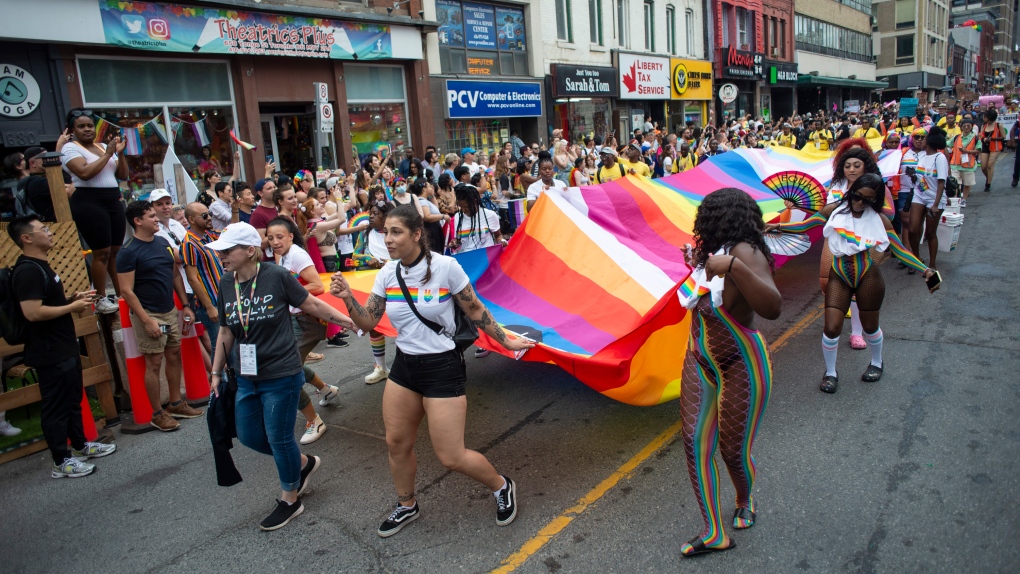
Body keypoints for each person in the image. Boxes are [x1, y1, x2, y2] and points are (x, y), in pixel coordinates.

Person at [329, 204, 534, 538]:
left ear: (416, 234)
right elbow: (368, 322)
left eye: (396, 232)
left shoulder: (445, 267)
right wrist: (349, 298)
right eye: (385, 232)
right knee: (396, 442)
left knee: (451, 456)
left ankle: (501, 485)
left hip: (442, 367)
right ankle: (406, 505)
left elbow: (476, 309)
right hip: (405, 367)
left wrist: (506, 341)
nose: (388, 239)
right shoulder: (387, 273)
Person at [206, 223, 357, 531]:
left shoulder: (276, 277)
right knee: (249, 435)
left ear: (250, 251)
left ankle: (290, 497)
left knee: (279, 437)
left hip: (281, 374)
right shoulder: (225, 283)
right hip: (247, 377)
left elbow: (311, 303)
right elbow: (225, 330)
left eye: (227, 250)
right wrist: (216, 371)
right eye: (219, 250)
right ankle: (302, 463)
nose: (221, 255)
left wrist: (350, 320)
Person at [673, 188, 781, 557]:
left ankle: (744, 498)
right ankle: (714, 532)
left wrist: (735, 267)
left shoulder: (744, 252)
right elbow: (705, 296)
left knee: (732, 452)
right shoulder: (713, 252)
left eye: (708, 217)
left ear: (723, 218)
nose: (702, 224)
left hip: (741, 366)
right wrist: (697, 263)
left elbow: (773, 306)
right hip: (699, 361)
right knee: (693, 444)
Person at [768, 174, 936, 393]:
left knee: (869, 327)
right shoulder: (833, 211)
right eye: (856, 196)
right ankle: (830, 372)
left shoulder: (879, 220)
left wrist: (925, 270)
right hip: (839, 275)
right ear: (852, 191)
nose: (859, 202)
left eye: (866, 200)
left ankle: (876, 362)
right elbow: (804, 227)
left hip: (868, 277)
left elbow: (899, 250)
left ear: (874, 201)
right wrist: (774, 227)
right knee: (831, 327)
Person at [8, 215, 118, 477]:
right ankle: (61, 461)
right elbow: (32, 312)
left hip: (63, 345)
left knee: (71, 401)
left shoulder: (41, 266)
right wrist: (72, 307)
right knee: (55, 406)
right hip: (49, 351)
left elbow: (46, 303)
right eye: (43, 229)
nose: (49, 232)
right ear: (26, 238)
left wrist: (71, 298)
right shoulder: (27, 271)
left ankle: (80, 445)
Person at [117, 201, 203, 432]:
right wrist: (146, 320)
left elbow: (175, 274)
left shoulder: (162, 242)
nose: (157, 219)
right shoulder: (128, 252)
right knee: (153, 362)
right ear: (137, 221)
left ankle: (175, 403)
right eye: (151, 216)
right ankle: (157, 413)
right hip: (150, 314)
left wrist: (185, 305)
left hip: (169, 310)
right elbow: (126, 290)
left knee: (174, 354)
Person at [265, 218, 341, 444]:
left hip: (307, 322)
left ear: (290, 236)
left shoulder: (296, 254)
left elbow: (317, 286)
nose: (275, 242)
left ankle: (314, 421)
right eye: (270, 238)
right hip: (293, 319)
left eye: (280, 237)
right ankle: (326, 390)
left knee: (285, 371)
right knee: (289, 364)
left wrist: (284, 294)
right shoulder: (284, 255)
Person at [60, 108, 128, 315]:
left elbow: (123, 175)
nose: (87, 129)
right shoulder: (70, 148)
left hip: (112, 198)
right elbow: (84, 173)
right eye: (81, 126)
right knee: (102, 252)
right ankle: (99, 298)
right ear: (72, 130)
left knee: (116, 251)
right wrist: (109, 154)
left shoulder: (101, 146)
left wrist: (119, 154)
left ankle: (121, 294)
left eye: (90, 125)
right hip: (89, 200)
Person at [181, 202, 224, 356]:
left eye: (209, 214)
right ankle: (220, 379)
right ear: (192, 220)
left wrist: (234, 210)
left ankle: (232, 379)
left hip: (222, 299)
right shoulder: (189, 244)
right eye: (204, 215)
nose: (209, 218)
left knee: (230, 346)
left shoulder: (209, 235)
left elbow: (232, 231)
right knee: (220, 346)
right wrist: (209, 307)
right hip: (210, 302)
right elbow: (192, 279)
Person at [908, 126, 949, 270]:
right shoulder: (921, 156)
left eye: (923, 138)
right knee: (913, 229)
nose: (920, 141)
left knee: (930, 232)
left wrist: (936, 204)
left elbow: (941, 182)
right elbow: (919, 178)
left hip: (934, 199)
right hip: (919, 195)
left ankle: (932, 264)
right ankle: (916, 259)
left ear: (930, 141)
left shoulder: (940, 158)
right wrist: (912, 175)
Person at [950, 117, 980, 207]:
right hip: (955, 165)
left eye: (968, 126)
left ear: (971, 127)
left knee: (967, 184)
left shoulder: (975, 138)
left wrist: (967, 152)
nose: (966, 127)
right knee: (955, 183)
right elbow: (947, 143)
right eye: (964, 126)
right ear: (961, 127)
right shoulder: (956, 137)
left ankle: (964, 199)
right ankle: (956, 199)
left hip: (968, 166)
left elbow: (978, 150)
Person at [248, 179, 280, 260]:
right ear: (260, 193)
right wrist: (281, 232)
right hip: (271, 260)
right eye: (269, 188)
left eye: (274, 187)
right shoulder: (258, 214)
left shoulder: (280, 206)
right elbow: (260, 243)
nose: (274, 190)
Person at [979, 110, 1005, 191]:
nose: (983, 118)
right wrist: (984, 138)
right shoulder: (983, 126)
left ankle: (988, 184)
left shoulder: (998, 125)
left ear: (989, 117)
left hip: (995, 146)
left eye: (985, 116)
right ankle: (988, 177)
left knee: (990, 164)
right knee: (983, 167)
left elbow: (1003, 136)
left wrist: (992, 139)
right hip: (985, 146)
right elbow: (980, 135)